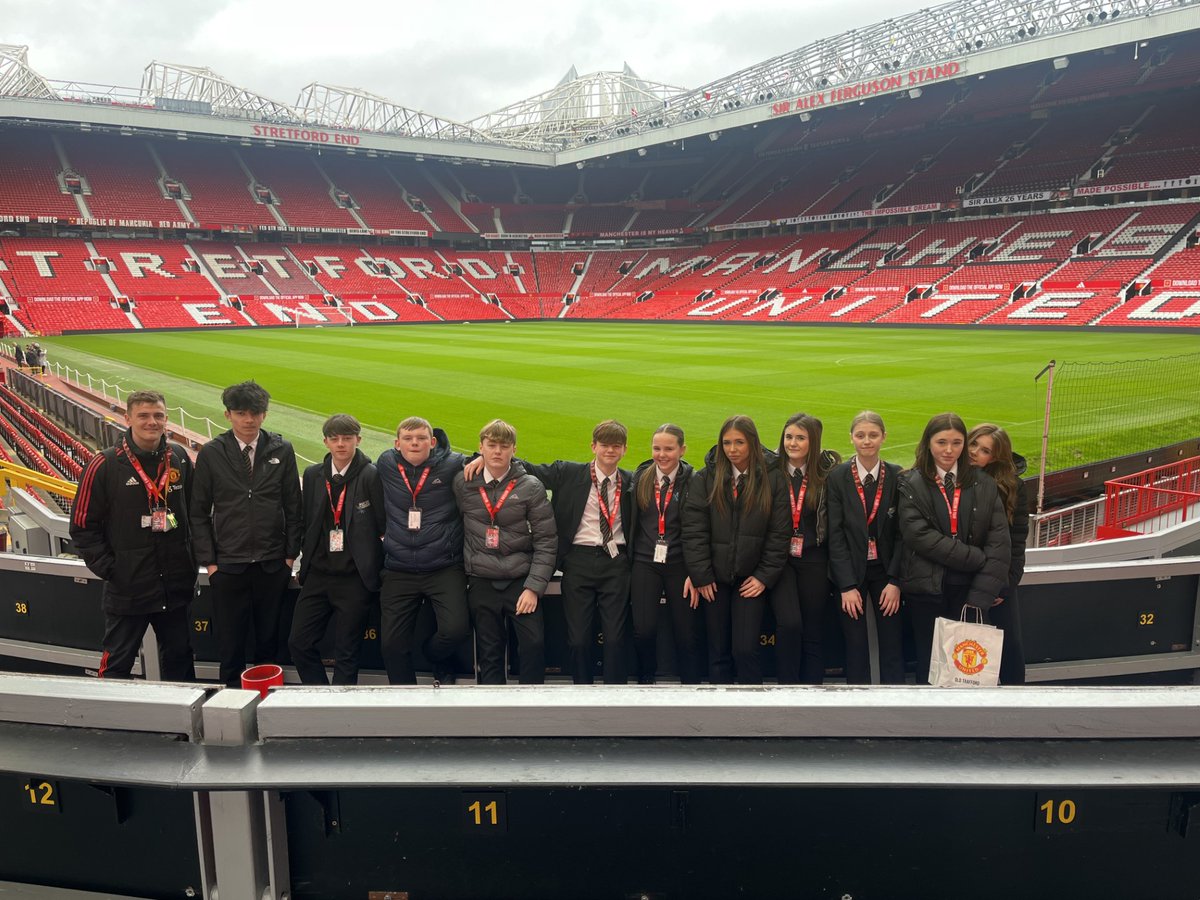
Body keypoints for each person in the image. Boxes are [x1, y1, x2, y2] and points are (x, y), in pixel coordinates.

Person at [69, 390, 196, 680]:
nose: (152, 422)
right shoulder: (105, 464)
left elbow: (195, 515)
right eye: (144, 415)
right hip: (128, 588)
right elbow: (81, 526)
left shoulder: (179, 457)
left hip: (175, 586)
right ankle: (109, 725)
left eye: (158, 416)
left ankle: (181, 724)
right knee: (117, 664)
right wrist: (114, 570)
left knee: (180, 659)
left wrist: (190, 561)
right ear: (127, 418)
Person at [191, 380, 302, 688]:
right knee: (230, 646)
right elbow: (198, 512)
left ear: (264, 415)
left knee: (268, 643)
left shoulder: (283, 448)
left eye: (256, 412)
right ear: (228, 415)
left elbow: (294, 505)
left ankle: (267, 704)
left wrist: (289, 556)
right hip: (228, 566)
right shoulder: (212, 452)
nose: (249, 420)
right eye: (241, 413)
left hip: (272, 564)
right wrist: (211, 563)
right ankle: (229, 707)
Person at [517, 420, 635, 685]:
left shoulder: (631, 481)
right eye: (604, 445)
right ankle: (582, 692)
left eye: (616, 446)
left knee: (615, 638)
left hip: (616, 564)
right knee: (578, 639)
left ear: (625, 450)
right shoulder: (568, 472)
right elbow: (527, 469)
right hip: (578, 562)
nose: (609, 451)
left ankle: (616, 696)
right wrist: (480, 459)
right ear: (593, 446)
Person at [897, 412, 1010, 685]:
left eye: (957, 442)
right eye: (941, 442)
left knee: (967, 671)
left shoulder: (984, 484)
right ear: (928, 443)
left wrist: (981, 594)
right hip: (927, 591)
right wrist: (974, 558)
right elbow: (918, 535)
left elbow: (999, 541)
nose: (949, 450)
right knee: (929, 666)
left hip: (969, 592)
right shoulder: (910, 483)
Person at [682, 415, 789, 684]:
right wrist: (702, 575)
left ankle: (754, 716)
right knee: (717, 652)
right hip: (713, 579)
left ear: (752, 443)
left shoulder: (772, 478)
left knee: (744, 649)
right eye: (727, 443)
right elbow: (694, 529)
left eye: (739, 442)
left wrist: (764, 576)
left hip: (751, 579)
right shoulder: (706, 477)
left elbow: (779, 533)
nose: (732, 449)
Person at [453, 419, 556, 684]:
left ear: (514, 449)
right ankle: (492, 713)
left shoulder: (531, 486)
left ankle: (531, 710)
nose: (497, 451)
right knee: (489, 652)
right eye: (492, 445)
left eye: (504, 446)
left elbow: (546, 539)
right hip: (481, 580)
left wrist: (533, 588)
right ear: (481, 448)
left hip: (520, 581)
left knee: (533, 646)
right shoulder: (463, 482)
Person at [288, 414, 385, 685]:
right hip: (318, 576)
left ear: (358, 440)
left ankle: (339, 713)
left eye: (347, 438)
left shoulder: (370, 475)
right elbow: (307, 522)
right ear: (326, 441)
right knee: (299, 643)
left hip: (355, 579)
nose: (341, 444)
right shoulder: (313, 474)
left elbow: (382, 525)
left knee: (347, 653)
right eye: (335, 438)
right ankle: (320, 697)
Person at [376, 416, 470, 685]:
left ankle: (434, 656)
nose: (414, 443)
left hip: (443, 565)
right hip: (399, 567)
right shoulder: (386, 463)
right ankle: (405, 699)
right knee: (392, 645)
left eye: (420, 438)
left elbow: (487, 461)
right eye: (407, 438)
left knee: (455, 630)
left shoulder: (454, 464)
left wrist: (476, 459)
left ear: (432, 441)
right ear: (397, 444)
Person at [827, 411, 905, 684]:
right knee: (854, 644)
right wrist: (846, 586)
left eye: (873, 435)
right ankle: (856, 704)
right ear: (851, 439)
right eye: (860, 435)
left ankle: (895, 702)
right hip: (851, 571)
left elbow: (902, 535)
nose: (867, 441)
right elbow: (834, 535)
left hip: (885, 572)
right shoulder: (837, 477)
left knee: (892, 642)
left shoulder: (897, 475)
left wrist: (895, 580)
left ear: (884, 437)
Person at [627, 424, 702, 684]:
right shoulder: (641, 477)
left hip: (681, 564)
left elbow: (699, 529)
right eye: (657, 448)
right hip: (645, 562)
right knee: (644, 629)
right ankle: (645, 681)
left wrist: (696, 571)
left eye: (669, 449)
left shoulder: (695, 480)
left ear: (682, 450)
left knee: (686, 631)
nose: (662, 454)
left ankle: (691, 684)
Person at [770, 412, 837, 684]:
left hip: (814, 559)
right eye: (788, 437)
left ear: (813, 442)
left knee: (812, 630)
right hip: (780, 560)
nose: (792, 443)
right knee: (789, 624)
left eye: (800, 438)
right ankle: (787, 689)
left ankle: (812, 693)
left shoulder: (827, 474)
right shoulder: (770, 470)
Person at [966, 423, 1028, 685]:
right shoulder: (954, 479)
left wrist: (1004, 585)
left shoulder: (1013, 487)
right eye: (973, 444)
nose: (975, 452)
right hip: (964, 580)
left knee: (1008, 646)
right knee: (966, 649)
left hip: (1000, 584)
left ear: (996, 457)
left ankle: (1016, 706)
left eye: (984, 450)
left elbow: (1017, 541)